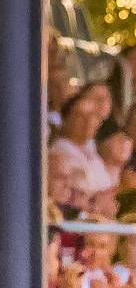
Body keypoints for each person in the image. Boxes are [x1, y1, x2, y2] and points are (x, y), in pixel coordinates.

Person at [48, 80, 118, 216]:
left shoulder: (94, 155)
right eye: (81, 116)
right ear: (66, 119)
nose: (89, 121)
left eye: (93, 116)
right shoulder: (57, 154)